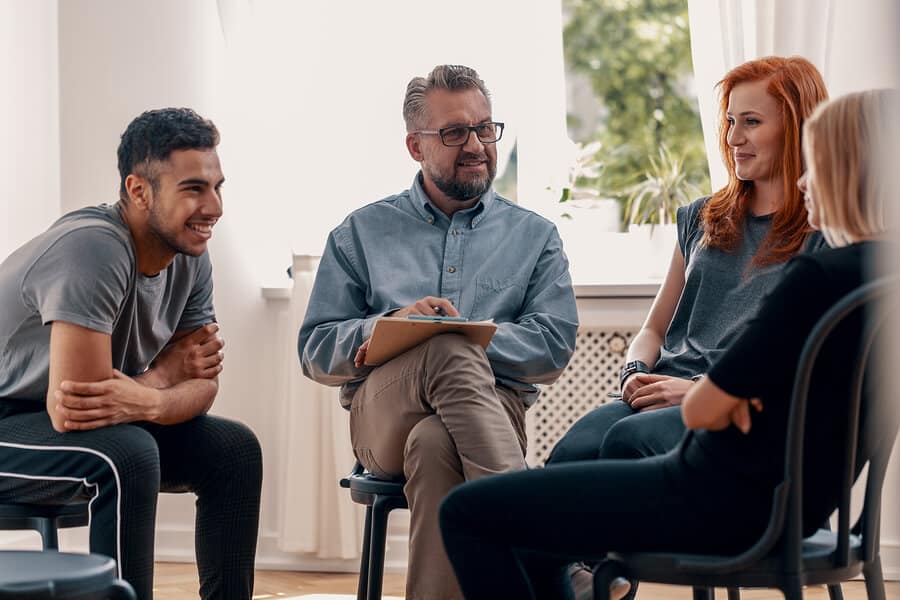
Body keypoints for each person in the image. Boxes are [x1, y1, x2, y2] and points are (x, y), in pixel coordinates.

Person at [439, 87, 896, 600]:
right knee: (543, 519)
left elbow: (701, 410)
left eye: (817, 165)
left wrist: (723, 398)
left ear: (852, 173)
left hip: (711, 497)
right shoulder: (880, 280)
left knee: (466, 512)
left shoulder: (817, 277)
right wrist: (741, 397)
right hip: (788, 505)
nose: (804, 180)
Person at [299, 64, 579, 600]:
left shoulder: (535, 237)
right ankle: (547, 557)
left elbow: (552, 347)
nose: (476, 144)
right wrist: (395, 327)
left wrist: (465, 336)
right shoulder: (360, 232)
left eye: (485, 128)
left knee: (435, 440)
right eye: (454, 132)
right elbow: (314, 350)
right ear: (415, 145)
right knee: (446, 348)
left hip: (496, 416)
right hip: (382, 416)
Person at [0, 108, 262, 599]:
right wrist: (164, 377)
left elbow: (203, 383)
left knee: (234, 450)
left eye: (217, 187)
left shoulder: (189, 253)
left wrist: (154, 399)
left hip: (62, 420)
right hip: (11, 420)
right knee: (126, 453)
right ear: (139, 191)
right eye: (193, 189)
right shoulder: (93, 248)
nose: (214, 208)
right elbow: (77, 409)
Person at [548, 56, 828, 467]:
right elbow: (654, 328)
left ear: (798, 126)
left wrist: (698, 390)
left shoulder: (821, 234)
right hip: (657, 389)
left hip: (731, 405)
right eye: (731, 121)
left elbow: (800, 362)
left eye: (751, 122)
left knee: (628, 442)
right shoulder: (702, 216)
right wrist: (633, 373)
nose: (733, 138)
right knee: (569, 454)